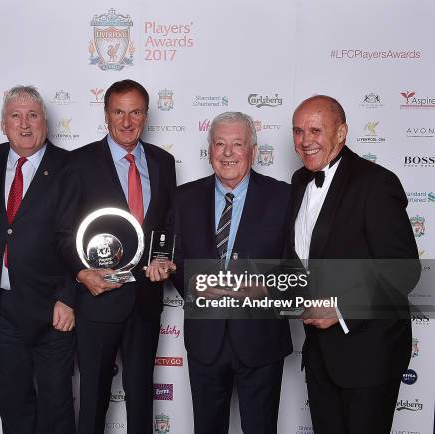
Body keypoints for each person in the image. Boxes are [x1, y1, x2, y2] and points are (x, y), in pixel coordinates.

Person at [288, 95, 420, 434]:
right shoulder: (300, 181)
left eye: (315, 130)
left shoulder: (376, 183)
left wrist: (340, 308)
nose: (305, 141)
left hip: (369, 352)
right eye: (298, 131)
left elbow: (403, 269)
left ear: (341, 132)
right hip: (320, 354)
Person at [58, 79, 176, 434]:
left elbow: (166, 224)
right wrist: (81, 273)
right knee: (93, 399)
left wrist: (163, 259)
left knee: (142, 401)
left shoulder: (163, 162)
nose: (127, 121)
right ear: (106, 114)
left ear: (146, 115)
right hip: (98, 300)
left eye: (135, 112)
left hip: (145, 300)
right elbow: (63, 233)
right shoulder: (78, 163)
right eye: (119, 112)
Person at [167, 112, 292, 434]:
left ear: (253, 150)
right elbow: (174, 258)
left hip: (261, 340)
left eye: (237, 144)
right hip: (206, 341)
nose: (227, 153)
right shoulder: (184, 198)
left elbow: (296, 261)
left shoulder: (284, 197)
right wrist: (193, 285)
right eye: (220, 144)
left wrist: (265, 288)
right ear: (209, 150)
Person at [0, 85, 75, 434]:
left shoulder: (70, 166)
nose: (24, 124)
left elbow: (81, 239)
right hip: (1, 308)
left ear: (45, 122)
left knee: (57, 406)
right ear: (3, 124)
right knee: (13, 403)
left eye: (32, 115)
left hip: (53, 308)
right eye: (15, 116)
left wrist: (69, 296)